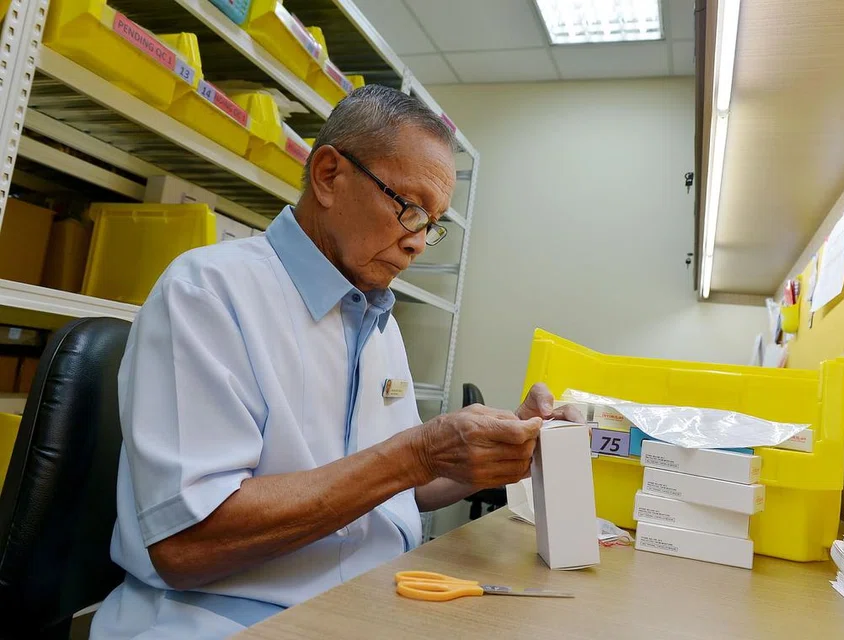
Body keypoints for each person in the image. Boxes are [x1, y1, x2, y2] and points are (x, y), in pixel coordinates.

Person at [90, 85, 578, 639]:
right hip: (222, 617)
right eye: (410, 209)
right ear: (328, 175)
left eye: (432, 224)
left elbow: (399, 487)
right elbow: (189, 541)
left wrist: (493, 448)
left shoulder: (376, 321)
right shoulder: (209, 292)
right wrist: (417, 453)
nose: (418, 242)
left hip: (365, 604)